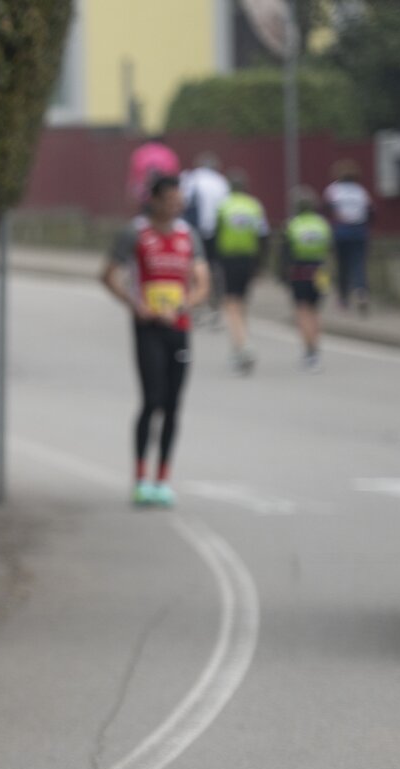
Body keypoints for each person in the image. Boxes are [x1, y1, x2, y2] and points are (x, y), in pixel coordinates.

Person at [100, 175, 210, 508]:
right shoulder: (135, 233)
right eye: (172, 200)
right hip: (147, 328)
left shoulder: (188, 235)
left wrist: (184, 305)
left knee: (173, 405)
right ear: (156, 200)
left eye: (180, 201)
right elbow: (107, 275)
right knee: (152, 401)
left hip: (178, 327)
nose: (177, 206)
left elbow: (202, 283)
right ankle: (140, 479)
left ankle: (163, 479)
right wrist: (136, 305)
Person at [212, 169, 269, 373]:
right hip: (249, 259)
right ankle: (239, 345)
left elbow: (215, 234)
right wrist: (261, 265)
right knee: (241, 302)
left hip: (228, 259)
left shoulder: (223, 206)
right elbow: (263, 236)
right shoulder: (254, 205)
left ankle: (243, 345)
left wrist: (214, 261)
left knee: (230, 303)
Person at [282, 186, 332, 371]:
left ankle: (309, 351)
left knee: (302, 311)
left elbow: (285, 254)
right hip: (320, 272)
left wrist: (283, 277)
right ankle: (316, 349)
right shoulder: (322, 224)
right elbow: (329, 249)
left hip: (299, 271)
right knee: (315, 311)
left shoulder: (292, 225)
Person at [180, 152, 230, 315]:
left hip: (195, 229)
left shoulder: (192, 178)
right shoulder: (221, 181)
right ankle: (214, 300)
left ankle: (195, 298)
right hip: (216, 230)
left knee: (195, 263)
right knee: (214, 265)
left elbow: (183, 201)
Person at [322, 160, 373, 314]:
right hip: (359, 230)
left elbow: (327, 208)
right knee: (358, 263)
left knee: (342, 266)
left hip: (341, 230)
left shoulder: (334, 190)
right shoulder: (360, 191)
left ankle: (343, 299)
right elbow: (371, 211)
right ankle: (361, 291)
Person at [127, 135, 181, 208]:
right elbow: (174, 174)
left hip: (145, 194)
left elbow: (134, 177)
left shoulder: (141, 152)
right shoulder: (168, 152)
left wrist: (132, 192)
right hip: (164, 193)